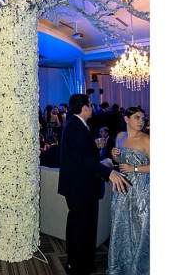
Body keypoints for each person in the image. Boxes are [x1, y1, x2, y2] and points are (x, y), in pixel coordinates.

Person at [58, 94, 130, 275]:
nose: (91, 108)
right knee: (83, 227)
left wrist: (94, 147)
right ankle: (78, 266)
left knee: (78, 225)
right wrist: (108, 172)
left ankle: (76, 263)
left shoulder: (74, 124)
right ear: (84, 108)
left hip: (78, 186)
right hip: (80, 187)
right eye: (90, 106)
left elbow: (80, 153)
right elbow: (82, 159)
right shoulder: (76, 127)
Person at [107, 107, 150, 275]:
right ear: (126, 119)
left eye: (143, 118)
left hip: (141, 192)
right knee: (121, 227)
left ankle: (139, 269)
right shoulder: (119, 137)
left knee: (140, 229)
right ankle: (121, 267)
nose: (141, 121)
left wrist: (136, 168)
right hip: (122, 189)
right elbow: (120, 162)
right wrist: (115, 154)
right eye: (137, 117)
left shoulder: (146, 139)